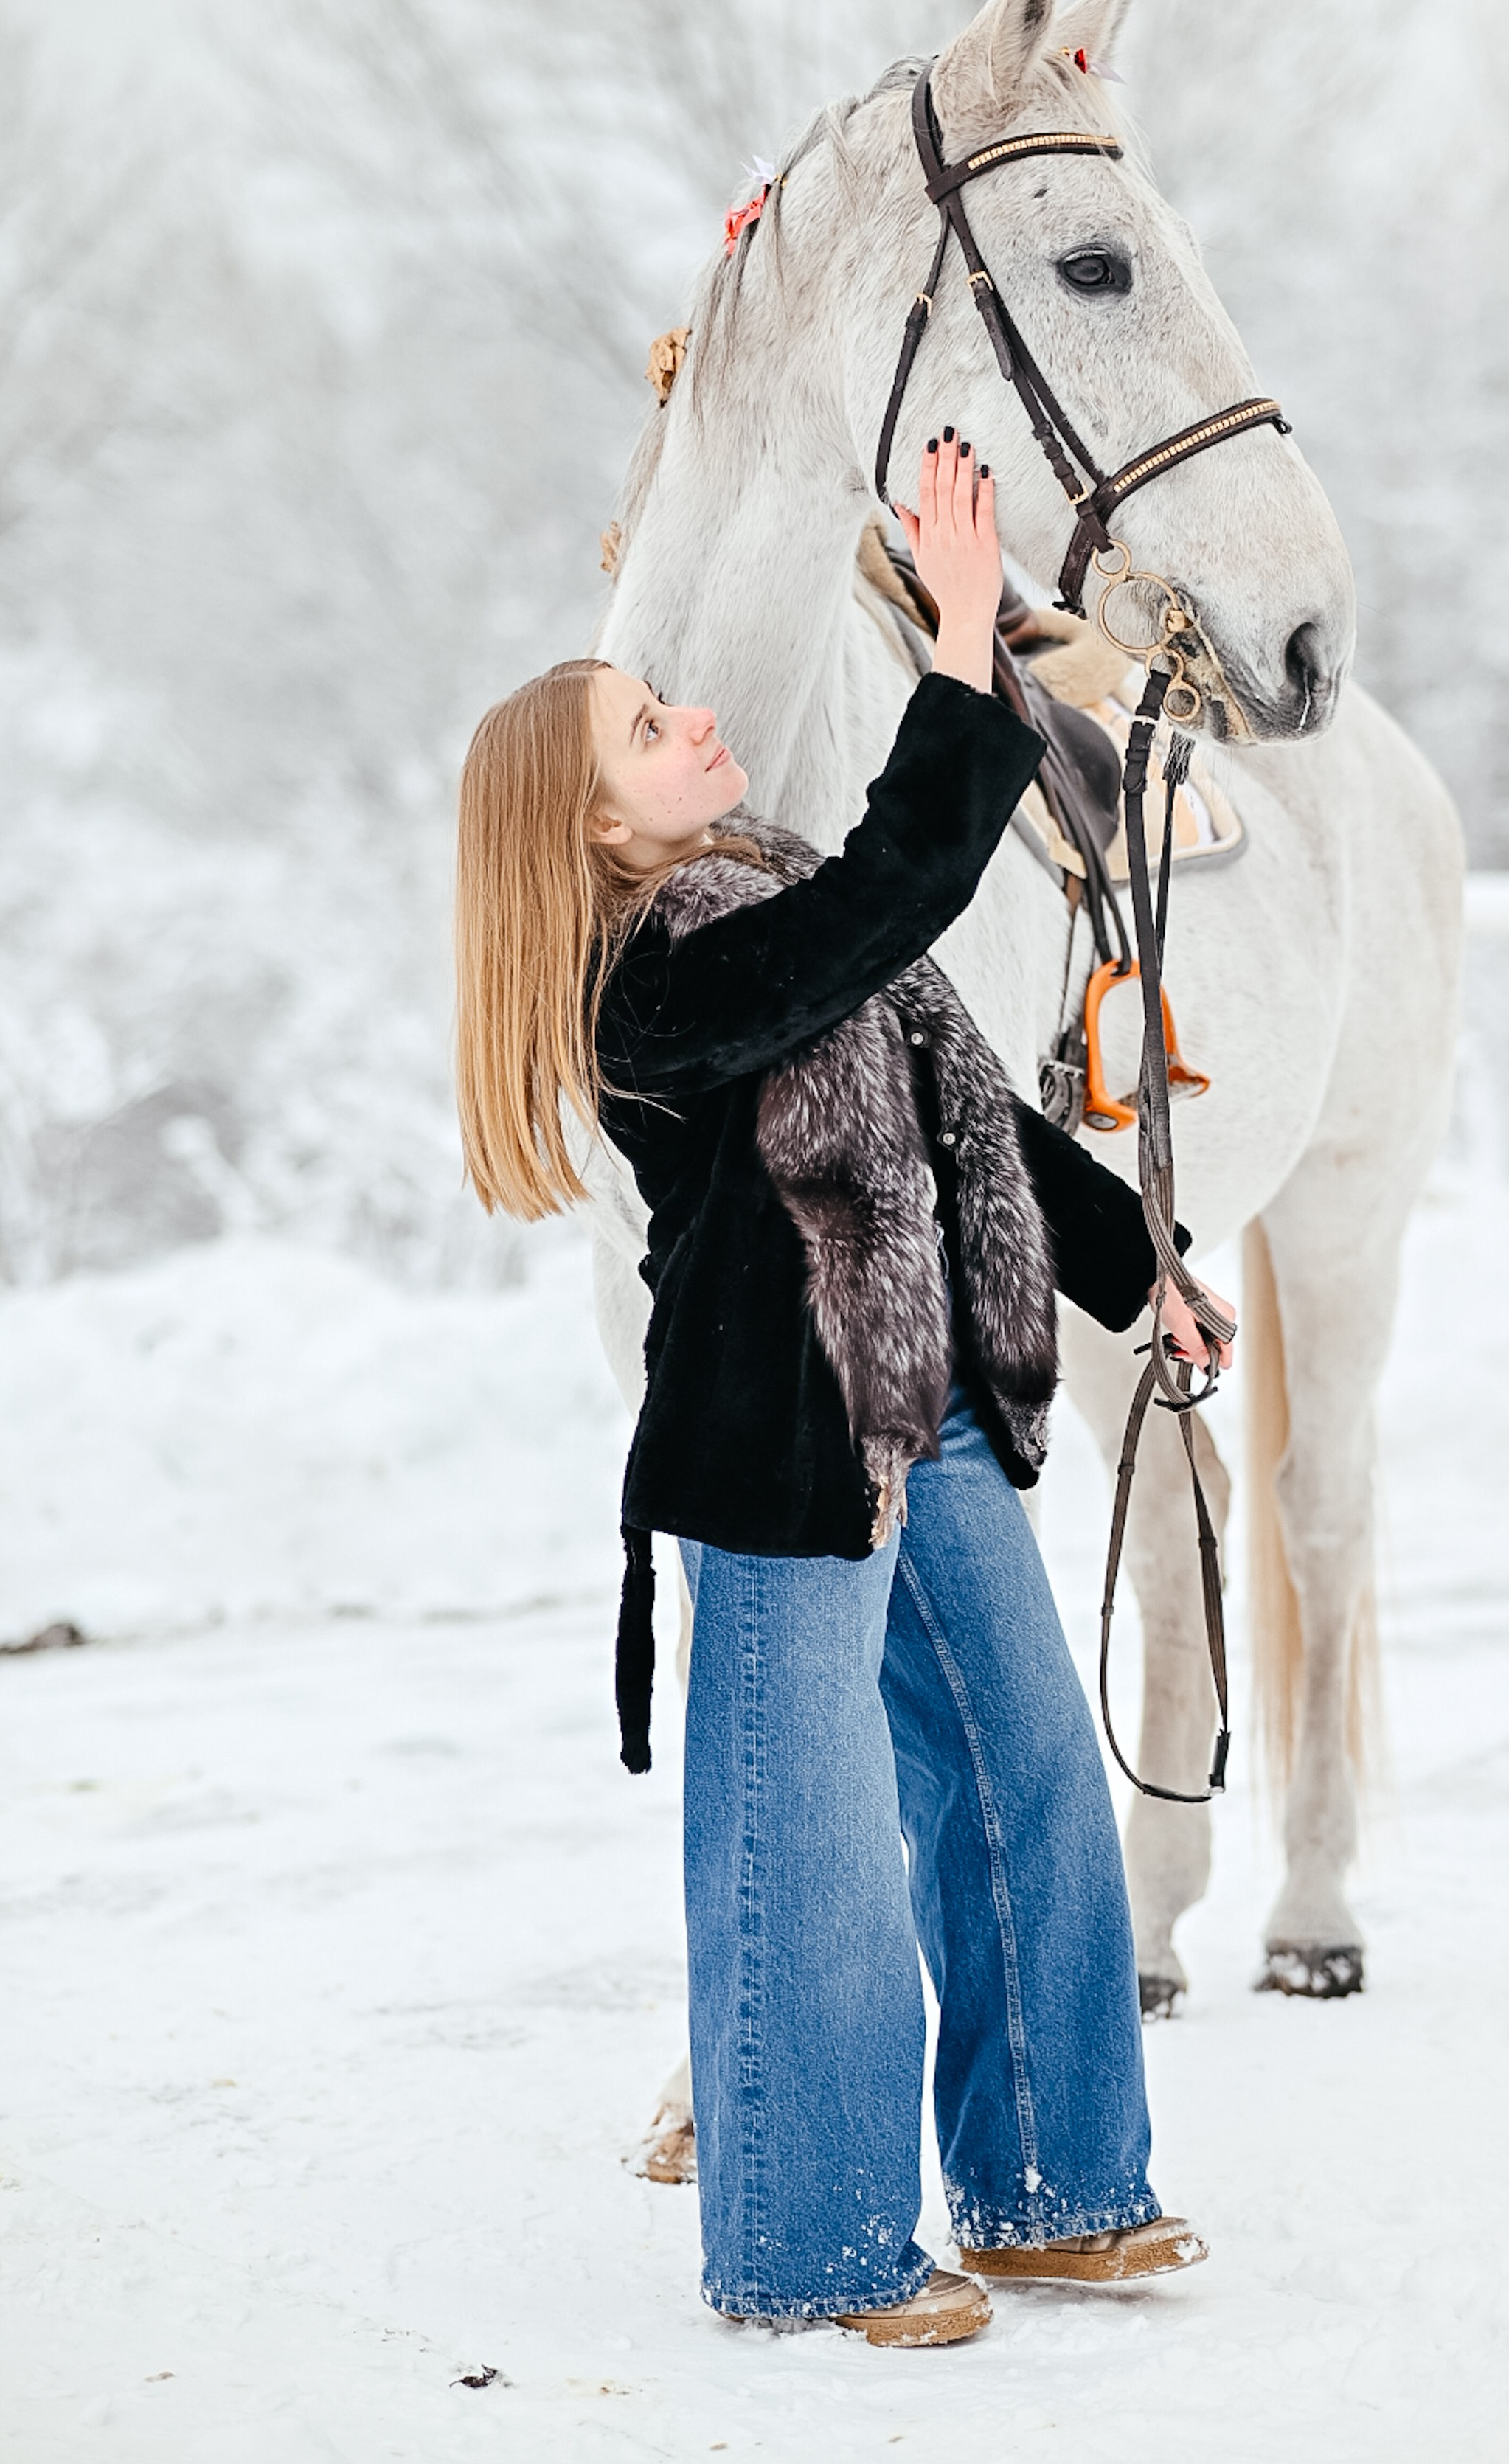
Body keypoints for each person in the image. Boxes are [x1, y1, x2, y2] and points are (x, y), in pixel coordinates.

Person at [453, 431, 1234, 2347]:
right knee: (804, 1844)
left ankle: (1057, 2182)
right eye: (647, 728)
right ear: (590, 828)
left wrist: (1145, 1270)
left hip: (930, 1396)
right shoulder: (649, 982)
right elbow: (901, 890)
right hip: (784, 1445)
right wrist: (966, 635)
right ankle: (810, 2239)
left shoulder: (784, 904)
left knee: (1029, 1770)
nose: (690, 719)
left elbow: (971, 1123)